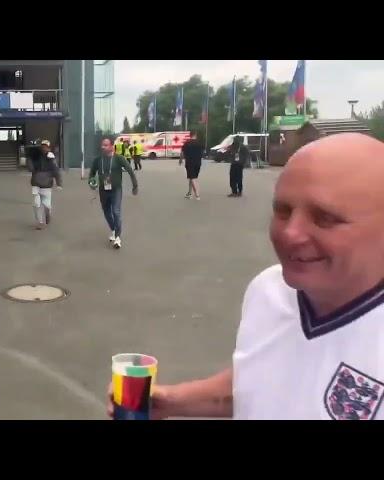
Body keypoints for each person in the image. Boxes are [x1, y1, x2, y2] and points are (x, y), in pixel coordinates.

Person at [107, 133, 384, 420]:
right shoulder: (269, 289)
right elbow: (260, 379)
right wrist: (171, 402)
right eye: (283, 211)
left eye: (325, 217)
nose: (290, 233)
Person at [89, 138, 138, 249]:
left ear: (111, 146)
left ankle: (117, 237)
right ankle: (113, 229)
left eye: (106, 145)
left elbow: (130, 171)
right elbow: (92, 173)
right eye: (102, 145)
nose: (103, 147)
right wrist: (92, 183)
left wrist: (135, 186)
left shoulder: (119, 158)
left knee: (116, 211)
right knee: (107, 212)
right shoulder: (98, 160)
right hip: (103, 190)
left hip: (116, 189)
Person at [27, 139, 62, 230]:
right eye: (43, 146)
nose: (44, 148)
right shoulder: (35, 155)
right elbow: (29, 161)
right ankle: (40, 222)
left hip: (46, 184)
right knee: (36, 203)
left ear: (49, 147)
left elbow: (56, 170)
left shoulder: (51, 158)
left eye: (46, 146)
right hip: (36, 183)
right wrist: (31, 167)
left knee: (46, 204)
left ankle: (47, 213)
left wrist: (59, 183)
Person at [180, 132, 203, 200]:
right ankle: (189, 193)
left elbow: (182, 152)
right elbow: (202, 152)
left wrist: (180, 160)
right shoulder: (200, 143)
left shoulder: (187, 143)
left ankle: (197, 194)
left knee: (192, 178)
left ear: (190, 136)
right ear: (195, 135)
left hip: (190, 163)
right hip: (198, 163)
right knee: (192, 177)